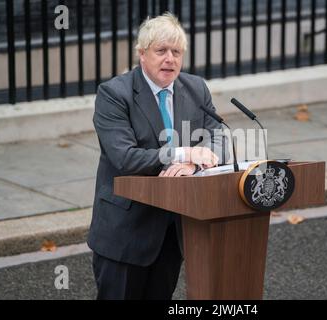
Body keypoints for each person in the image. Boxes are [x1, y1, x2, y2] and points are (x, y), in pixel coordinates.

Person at [87, 13, 228, 300]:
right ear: (142, 54)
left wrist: (193, 162)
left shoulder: (195, 88)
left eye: (176, 52)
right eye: (161, 51)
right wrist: (183, 152)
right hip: (125, 232)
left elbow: (220, 136)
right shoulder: (114, 94)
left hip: (172, 231)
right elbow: (125, 157)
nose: (170, 59)